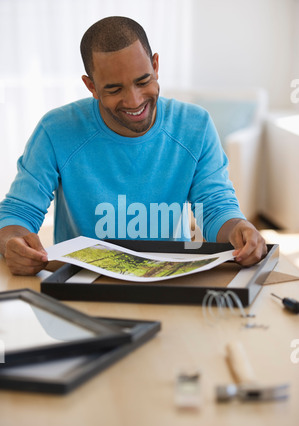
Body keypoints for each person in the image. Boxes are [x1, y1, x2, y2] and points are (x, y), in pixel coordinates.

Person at [0, 16, 267, 276]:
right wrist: (14, 242)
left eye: (143, 81)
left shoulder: (195, 126)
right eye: (115, 90)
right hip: (81, 282)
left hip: (169, 275)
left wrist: (238, 228)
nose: (134, 101)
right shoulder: (56, 130)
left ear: (156, 65)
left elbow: (215, 206)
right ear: (91, 86)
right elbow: (19, 212)